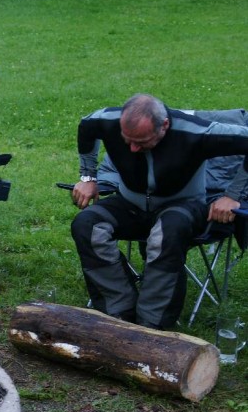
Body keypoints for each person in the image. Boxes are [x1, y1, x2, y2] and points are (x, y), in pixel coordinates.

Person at [71, 94, 248, 329]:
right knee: (86, 224)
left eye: (142, 141)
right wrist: (88, 177)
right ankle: (119, 311)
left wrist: (232, 195)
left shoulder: (197, 133)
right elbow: (86, 126)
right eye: (127, 140)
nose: (133, 148)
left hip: (182, 206)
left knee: (167, 232)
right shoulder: (108, 120)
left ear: (164, 126)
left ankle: (152, 324)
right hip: (130, 203)